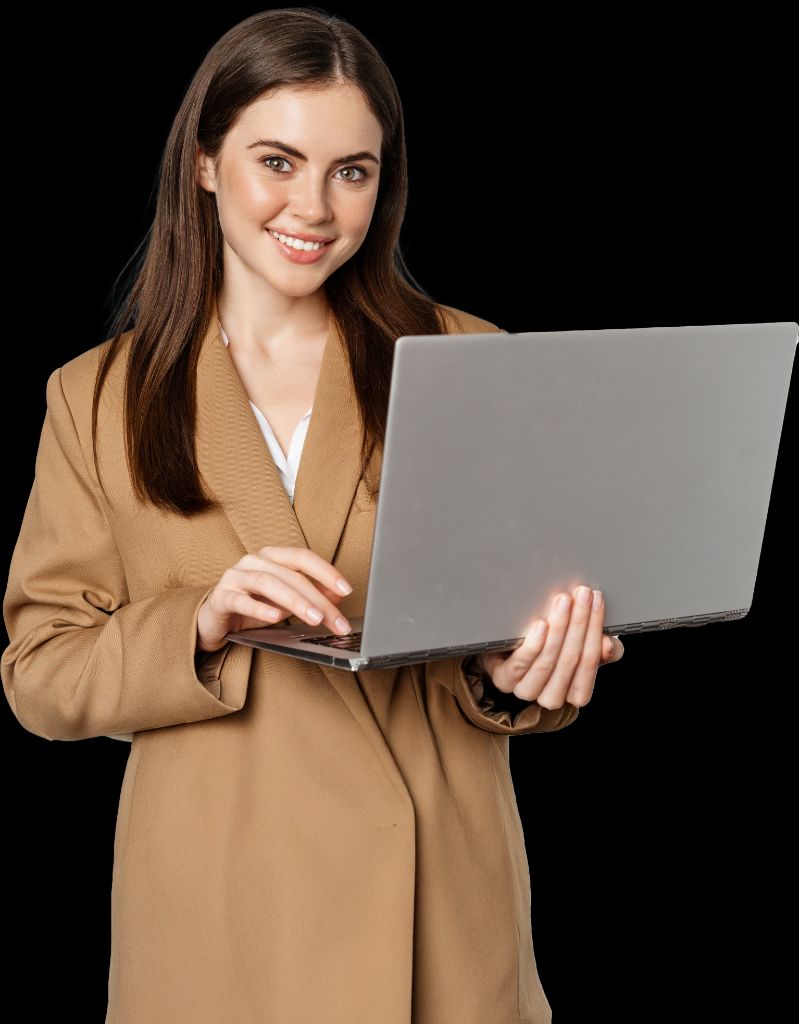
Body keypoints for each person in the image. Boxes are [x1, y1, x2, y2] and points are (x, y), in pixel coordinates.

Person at [1, 8, 624, 1022]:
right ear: (204, 163)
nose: (316, 206)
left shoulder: (471, 360)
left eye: (353, 170)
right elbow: (39, 673)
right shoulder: (96, 396)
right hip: (218, 922)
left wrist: (519, 678)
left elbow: (521, 658)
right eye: (277, 161)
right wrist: (199, 621)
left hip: (437, 906)